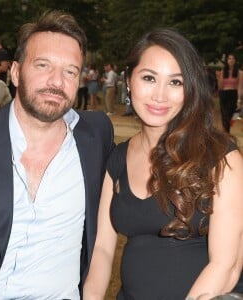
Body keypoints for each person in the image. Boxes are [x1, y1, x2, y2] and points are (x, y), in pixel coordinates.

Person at [0, 10, 114, 300]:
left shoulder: (96, 135)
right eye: (43, 65)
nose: (56, 81)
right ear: (15, 72)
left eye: (70, 71)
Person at [83, 28, 243, 300]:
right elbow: (102, 250)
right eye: (149, 78)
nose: (160, 95)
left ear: (190, 89)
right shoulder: (117, 158)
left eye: (176, 83)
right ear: (129, 80)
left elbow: (226, 265)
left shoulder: (220, 157)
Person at [216, 53, 243, 132]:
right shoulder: (223, 71)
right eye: (229, 59)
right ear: (227, 61)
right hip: (224, 94)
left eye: (233, 59)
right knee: (224, 115)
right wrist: (218, 78)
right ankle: (226, 134)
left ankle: (227, 131)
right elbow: (220, 87)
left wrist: (239, 99)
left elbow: (240, 87)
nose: (231, 60)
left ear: (235, 61)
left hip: (233, 95)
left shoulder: (240, 73)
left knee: (232, 115)